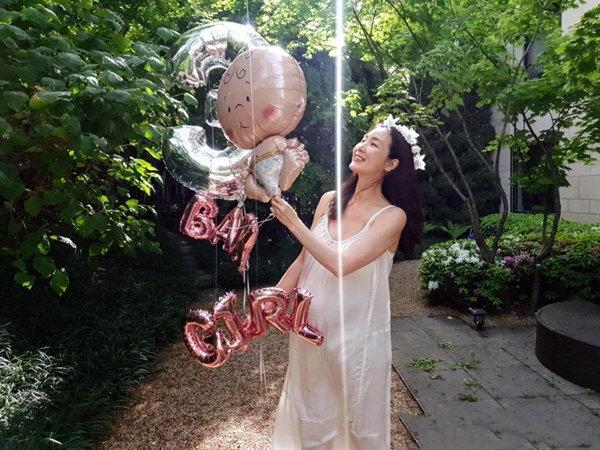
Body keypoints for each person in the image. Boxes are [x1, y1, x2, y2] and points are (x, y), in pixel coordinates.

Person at [268, 115, 424, 450]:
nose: (361, 146)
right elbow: (304, 259)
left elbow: (342, 265)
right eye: (363, 138)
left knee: (359, 427)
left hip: (357, 340)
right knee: (311, 419)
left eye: (374, 143)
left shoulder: (392, 216)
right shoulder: (329, 200)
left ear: (391, 164)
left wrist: (294, 223)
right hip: (309, 332)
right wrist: (272, 300)